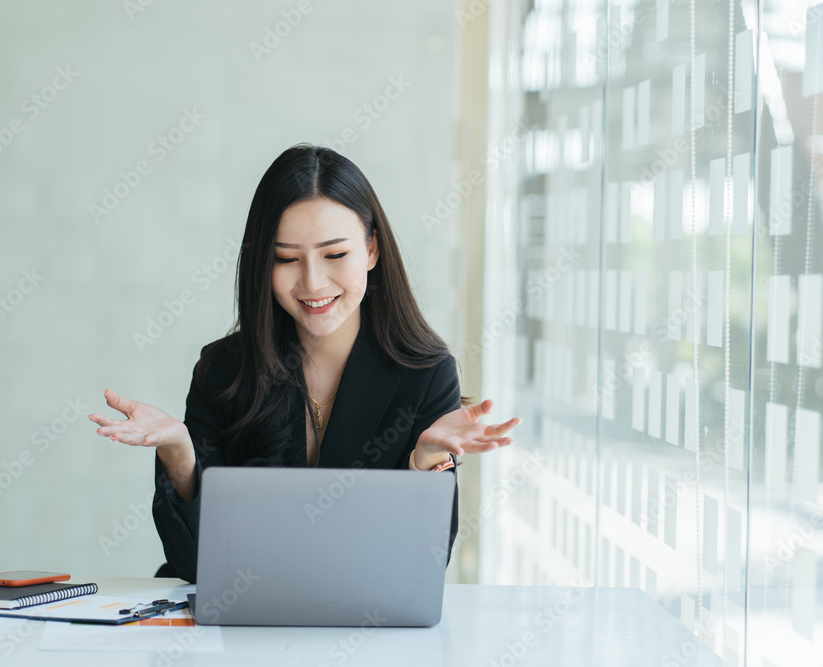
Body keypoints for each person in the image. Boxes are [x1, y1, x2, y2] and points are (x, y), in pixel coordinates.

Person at [88, 144, 521, 583]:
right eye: (286, 259)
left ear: (371, 250)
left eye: (335, 255)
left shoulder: (425, 375)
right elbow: (197, 566)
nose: (312, 282)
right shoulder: (224, 370)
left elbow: (418, 569)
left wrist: (424, 464)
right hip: (236, 636)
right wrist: (179, 452)